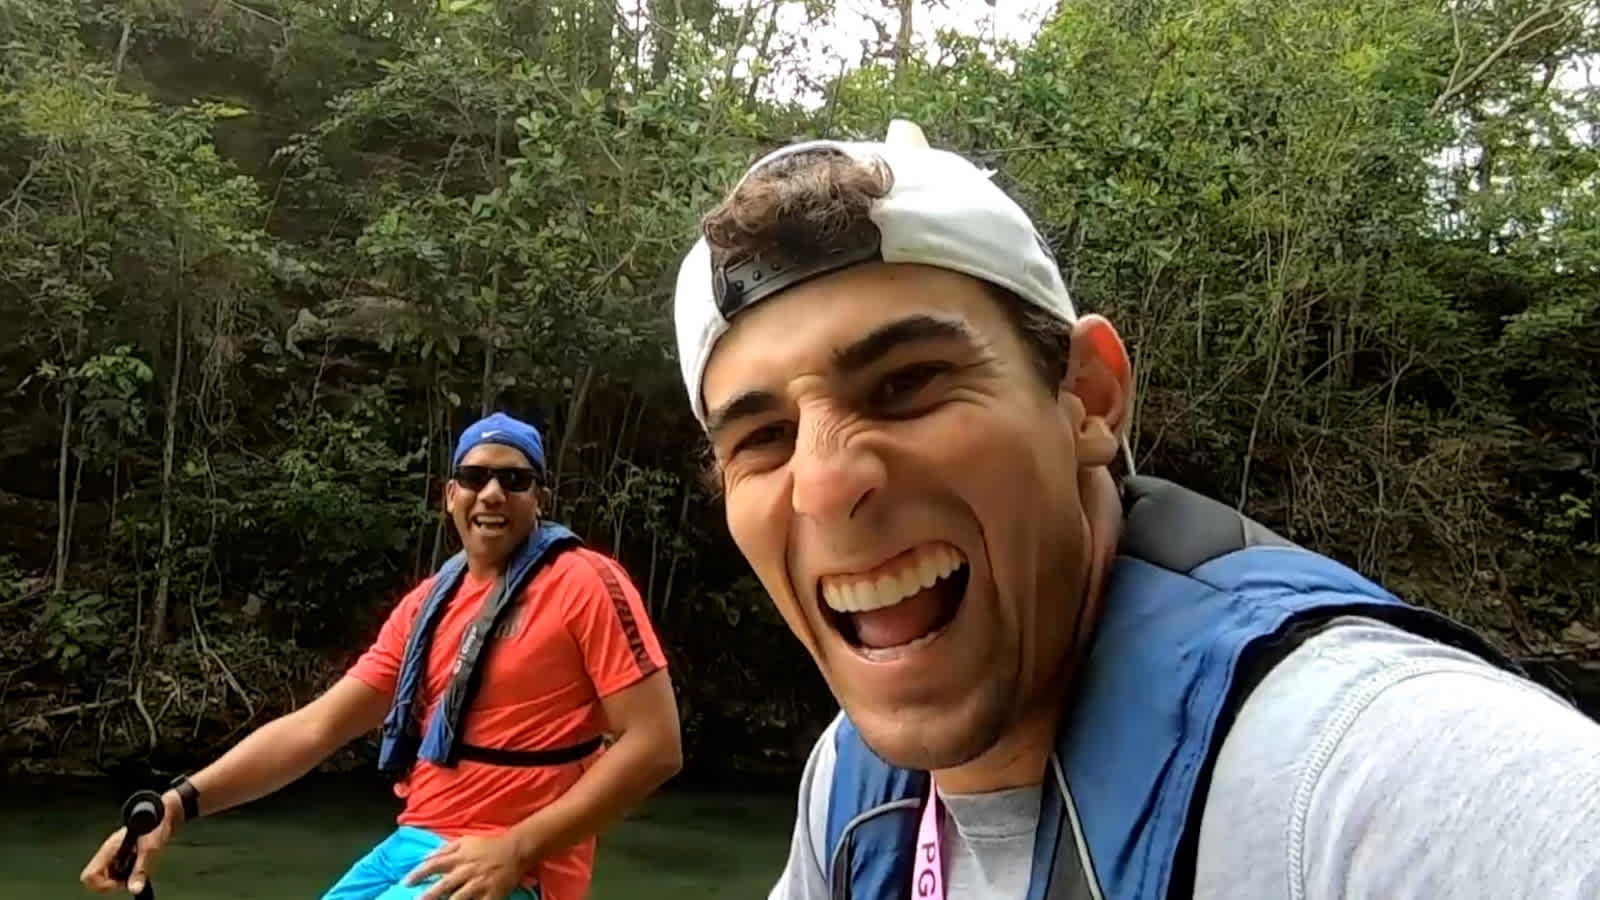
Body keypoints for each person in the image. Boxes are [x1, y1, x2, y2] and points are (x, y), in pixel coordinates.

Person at [668, 119, 1600, 899]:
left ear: (1090, 397)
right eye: (763, 439)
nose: (826, 484)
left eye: (909, 382)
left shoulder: (1359, 769)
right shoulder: (852, 794)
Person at [80, 412, 683, 900]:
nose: (492, 492)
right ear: (450, 496)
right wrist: (176, 805)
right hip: (414, 843)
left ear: (539, 498)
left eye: (515, 480)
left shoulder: (584, 583)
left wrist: (519, 847)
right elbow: (315, 728)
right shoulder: (429, 606)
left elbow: (656, 745)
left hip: (515, 866)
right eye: (474, 477)